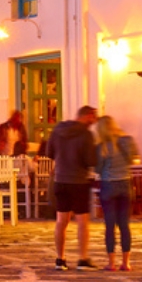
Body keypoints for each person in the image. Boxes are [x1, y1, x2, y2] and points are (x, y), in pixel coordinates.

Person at [52, 105, 99, 271]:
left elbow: (49, 152)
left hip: (60, 180)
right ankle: (83, 258)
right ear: (86, 116)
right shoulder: (86, 134)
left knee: (61, 221)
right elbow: (91, 160)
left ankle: (60, 258)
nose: (94, 121)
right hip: (79, 181)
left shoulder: (57, 130)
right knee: (82, 222)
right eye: (93, 117)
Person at [96, 115, 138, 271]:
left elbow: (98, 169)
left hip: (108, 185)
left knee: (110, 225)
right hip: (125, 184)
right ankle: (126, 262)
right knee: (124, 225)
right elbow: (134, 160)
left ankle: (111, 263)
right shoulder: (127, 141)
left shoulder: (101, 147)